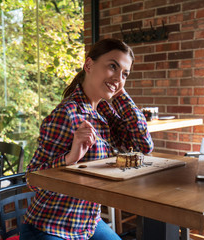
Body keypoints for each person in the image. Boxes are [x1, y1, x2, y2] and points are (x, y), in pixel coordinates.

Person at [21, 38, 153, 240]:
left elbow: (144, 146)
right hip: (51, 226)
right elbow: (31, 178)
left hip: (87, 223)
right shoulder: (67, 114)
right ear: (89, 65)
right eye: (112, 67)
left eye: (124, 74)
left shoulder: (104, 112)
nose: (118, 77)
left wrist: (121, 94)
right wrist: (70, 158)